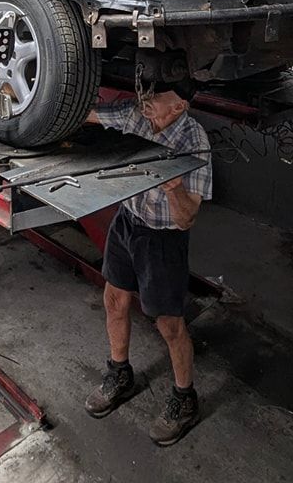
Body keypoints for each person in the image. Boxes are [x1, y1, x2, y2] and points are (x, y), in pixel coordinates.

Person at [84, 89, 212, 446]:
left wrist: (173, 188)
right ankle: (120, 374)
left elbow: (187, 219)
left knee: (169, 324)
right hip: (127, 221)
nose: (147, 99)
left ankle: (185, 400)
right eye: (147, 91)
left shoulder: (194, 140)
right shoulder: (137, 116)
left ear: (180, 104)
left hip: (163, 238)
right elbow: (88, 114)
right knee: (114, 300)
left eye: (157, 96)